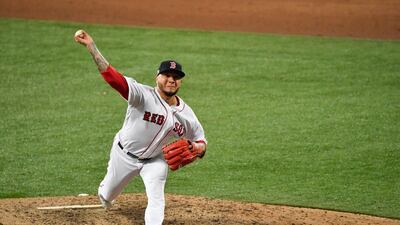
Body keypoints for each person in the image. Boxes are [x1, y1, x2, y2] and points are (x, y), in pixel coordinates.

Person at [74, 30, 207, 225]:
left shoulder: (186, 113)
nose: (171, 80)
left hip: (155, 160)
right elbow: (113, 78)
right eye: (167, 75)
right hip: (124, 154)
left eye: (176, 77)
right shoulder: (142, 95)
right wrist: (92, 47)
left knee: (157, 198)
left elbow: (201, 140)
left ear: (181, 81)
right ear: (157, 77)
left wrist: (197, 148)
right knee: (107, 195)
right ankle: (105, 192)